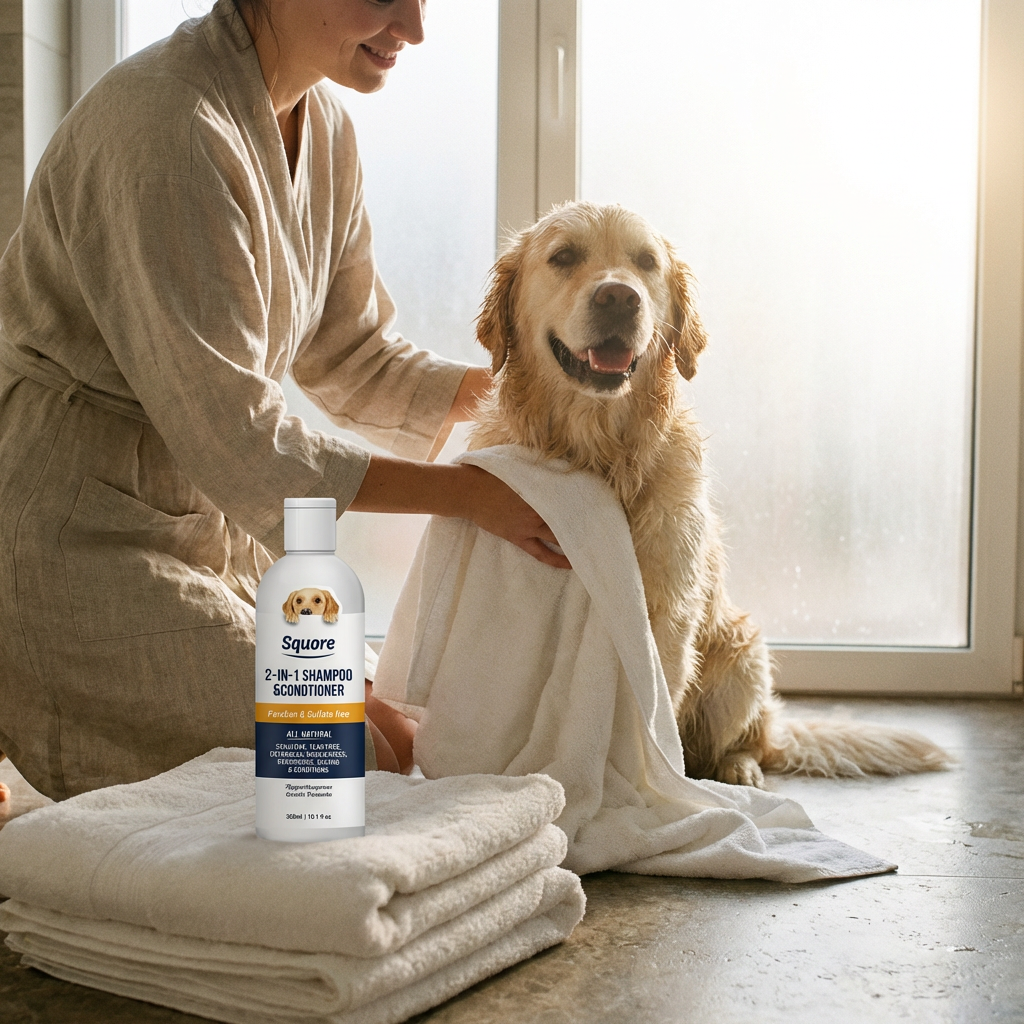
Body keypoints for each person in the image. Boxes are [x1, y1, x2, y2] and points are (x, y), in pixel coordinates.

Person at [0, 0, 569, 803]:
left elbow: (351, 354)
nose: (413, 28)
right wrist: (469, 497)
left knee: (413, 734)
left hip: (212, 530)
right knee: (346, 756)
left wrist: (532, 404)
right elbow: (237, 437)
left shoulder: (325, 127)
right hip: (74, 536)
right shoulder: (170, 131)